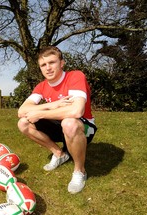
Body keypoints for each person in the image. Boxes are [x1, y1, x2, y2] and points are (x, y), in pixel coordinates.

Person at [17, 46, 97, 194]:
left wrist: (41, 113)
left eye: (52, 62)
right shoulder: (41, 86)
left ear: (61, 63)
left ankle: (80, 171)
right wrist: (52, 105)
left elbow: (76, 111)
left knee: (69, 123)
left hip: (84, 127)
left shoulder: (75, 76)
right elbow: (22, 111)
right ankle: (60, 154)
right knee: (23, 123)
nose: (47, 68)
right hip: (58, 124)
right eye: (43, 65)